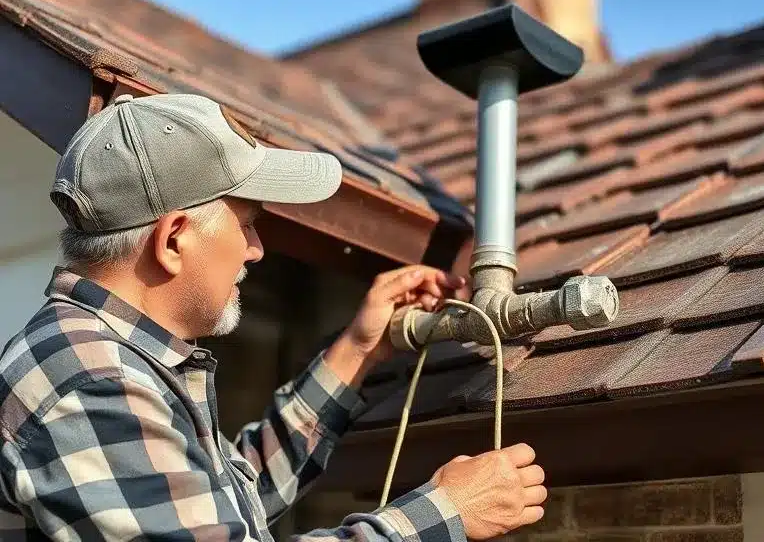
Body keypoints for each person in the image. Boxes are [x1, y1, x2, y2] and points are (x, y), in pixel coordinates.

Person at [0, 93, 547, 541]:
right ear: (173, 239)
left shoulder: (106, 358)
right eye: (248, 223)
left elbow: (221, 512)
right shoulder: (92, 382)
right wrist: (444, 514)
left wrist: (356, 351)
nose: (256, 250)